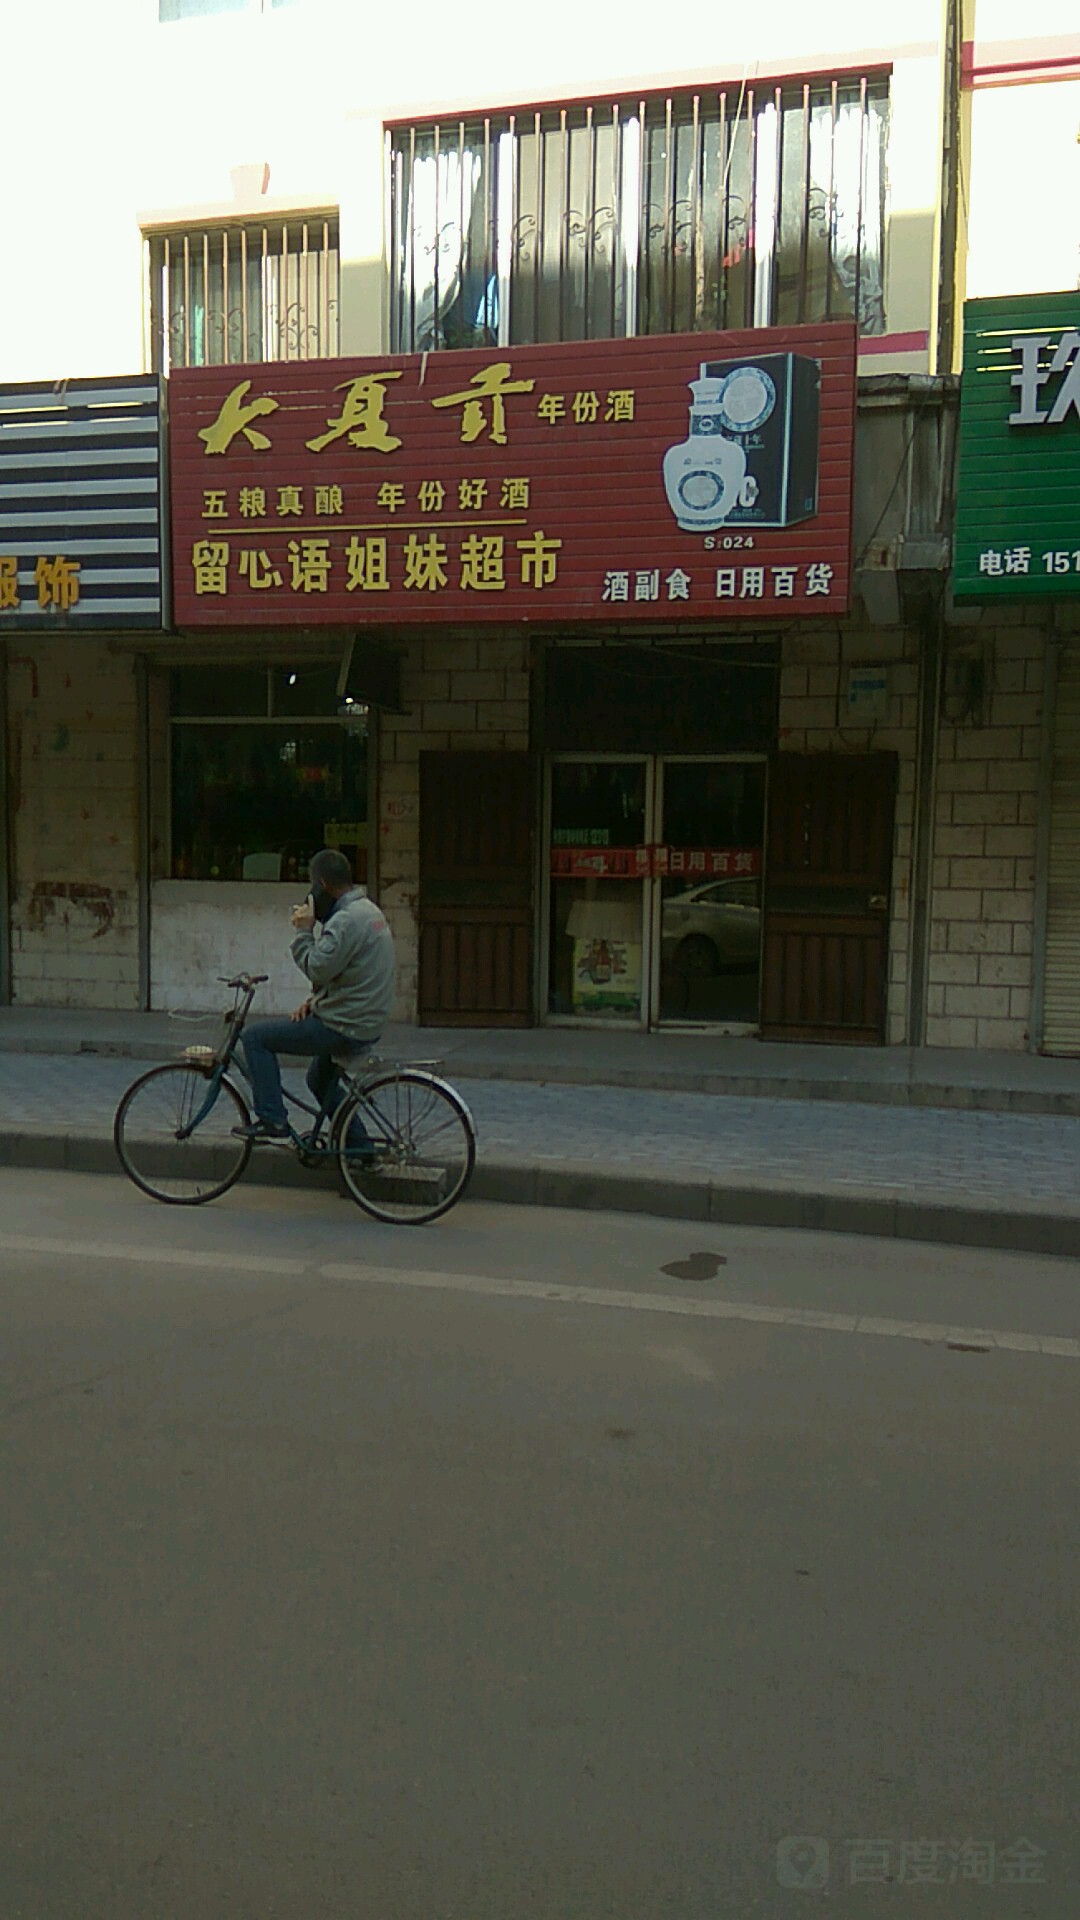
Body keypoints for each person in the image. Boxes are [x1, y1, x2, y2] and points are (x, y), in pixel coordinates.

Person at [236, 848, 395, 1144]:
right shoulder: (369, 911)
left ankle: (272, 1119)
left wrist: (304, 931)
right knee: (319, 1080)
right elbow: (351, 973)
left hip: (344, 1025)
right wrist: (313, 1003)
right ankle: (360, 1150)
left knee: (255, 1038)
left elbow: (318, 968)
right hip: (363, 1018)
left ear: (321, 884)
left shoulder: (346, 920)